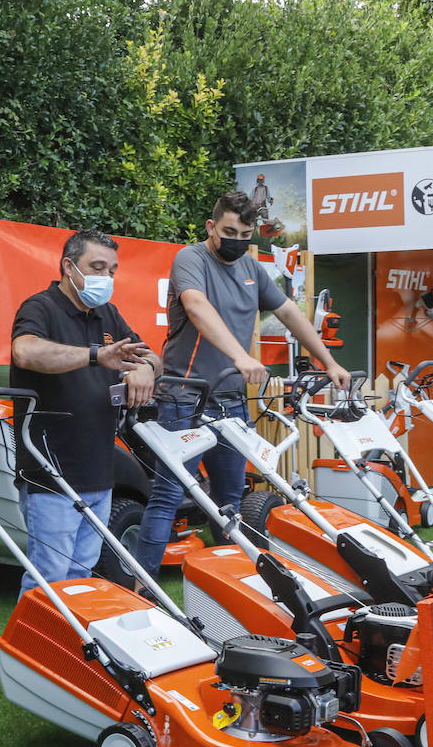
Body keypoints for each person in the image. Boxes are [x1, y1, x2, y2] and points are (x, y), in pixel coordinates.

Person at [131, 190, 349, 576]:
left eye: (246, 234)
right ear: (211, 227)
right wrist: (241, 356)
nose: (237, 240)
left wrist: (328, 361)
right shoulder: (190, 259)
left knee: (230, 498)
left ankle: (233, 583)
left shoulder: (252, 269)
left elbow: (288, 312)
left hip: (230, 402)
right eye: (229, 231)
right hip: (185, 397)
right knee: (168, 494)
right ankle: (142, 589)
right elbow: (197, 306)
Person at [10, 228, 162, 595]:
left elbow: (153, 356)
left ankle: (70, 651)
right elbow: (25, 352)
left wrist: (145, 369)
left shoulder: (108, 314)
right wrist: (95, 356)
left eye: (111, 270)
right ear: (68, 266)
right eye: (96, 267)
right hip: (52, 471)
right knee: (48, 576)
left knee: (82, 574)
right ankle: (32, 650)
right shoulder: (40, 308)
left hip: (99, 470)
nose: (106, 277)